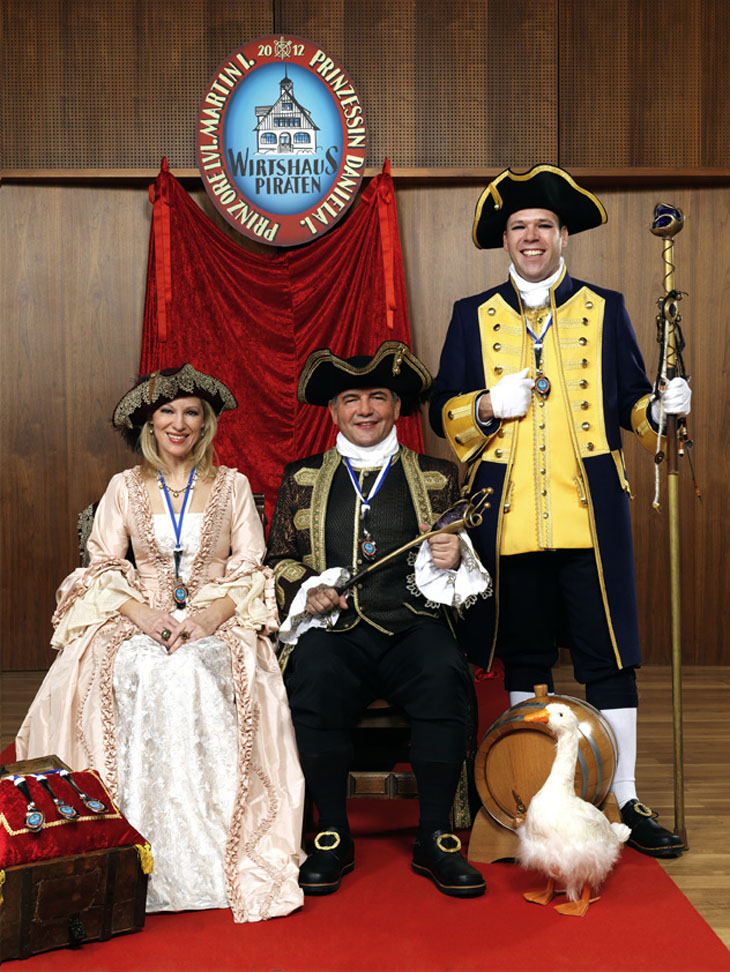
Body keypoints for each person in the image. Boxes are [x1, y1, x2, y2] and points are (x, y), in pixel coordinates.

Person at [430, 164, 691, 858]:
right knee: (526, 655)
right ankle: (532, 791)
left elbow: (629, 401)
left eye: (543, 225)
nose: (531, 236)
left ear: (563, 235)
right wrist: (488, 405)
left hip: (589, 511)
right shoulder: (471, 314)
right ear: (505, 240)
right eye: (519, 227)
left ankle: (625, 797)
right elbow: (441, 411)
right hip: (508, 514)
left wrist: (659, 411)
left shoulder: (605, 307)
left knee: (610, 658)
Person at [16, 364, 305, 921]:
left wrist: (208, 618)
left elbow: (251, 566)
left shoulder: (233, 486)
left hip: (216, 616)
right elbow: (102, 565)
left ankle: (212, 848)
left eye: (192, 412)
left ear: (206, 423)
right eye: (168, 411)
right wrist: (146, 617)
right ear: (150, 423)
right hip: (138, 615)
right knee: (139, 667)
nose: (179, 422)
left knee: (191, 668)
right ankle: (129, 845)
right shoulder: (124, 487)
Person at [265, 340, 491, 898]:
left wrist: (455, 555)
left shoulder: (439, 475)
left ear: (396, 407)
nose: (364, 410)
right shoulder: (302, 476)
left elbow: (463, 561)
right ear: (333, 411)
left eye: (377, 397)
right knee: (312, 675)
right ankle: (331, 834)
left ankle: (435, 835)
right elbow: (277, 560)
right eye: (351, 399)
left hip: (413, 627)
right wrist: (310, 589)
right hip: (334, 632)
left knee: (442, 672)